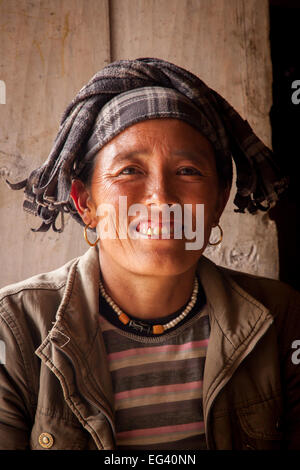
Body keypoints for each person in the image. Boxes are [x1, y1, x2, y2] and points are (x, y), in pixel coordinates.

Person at [0, 57, 299, 451]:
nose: (162, 200)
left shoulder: (281, 316)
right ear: (85, 201)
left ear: (218, 200)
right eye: (129, 171)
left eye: (188, 171)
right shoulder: (17, 327)